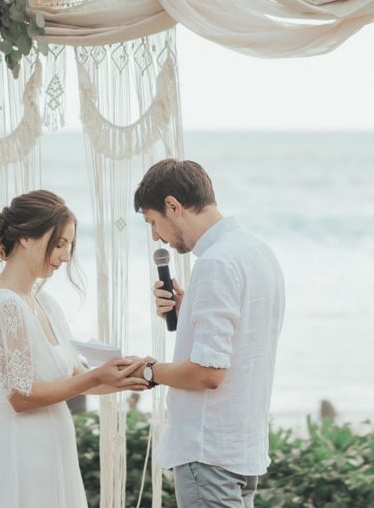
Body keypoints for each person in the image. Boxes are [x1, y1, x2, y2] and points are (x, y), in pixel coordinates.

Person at [0, 189, 148, 508]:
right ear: (26, 237)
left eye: (68, 245)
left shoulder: (45, 302)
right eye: (60, 244)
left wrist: (131, 374)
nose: (66, 256)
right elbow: (20, 397)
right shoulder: (4, 306)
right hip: (25, 455)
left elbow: (76, 375)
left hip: (56, 450)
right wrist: (95, 378)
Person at [135, 159, 285, 508]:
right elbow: (246, 339)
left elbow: (207, 373)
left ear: (173, 206)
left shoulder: (215, 263)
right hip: (242, 449)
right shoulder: (257, 251)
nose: (156, 235)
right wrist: (188, 309)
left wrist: (147, 370)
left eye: (153, 222)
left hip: (209, 451)